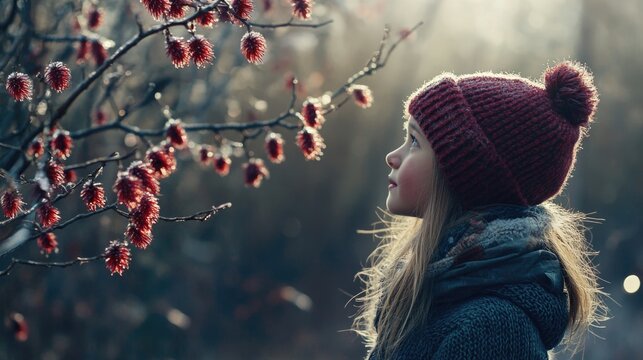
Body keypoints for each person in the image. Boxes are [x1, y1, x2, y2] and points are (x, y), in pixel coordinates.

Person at [352, 61, 609, 359]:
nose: (392, 156)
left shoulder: (492, 332)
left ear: (466, 175)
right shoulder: (431, 290)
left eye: (414, 141)